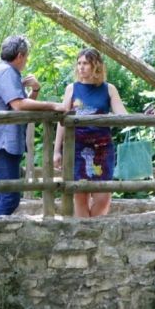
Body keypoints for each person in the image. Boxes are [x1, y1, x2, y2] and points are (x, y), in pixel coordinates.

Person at [0, 35, 65, 216]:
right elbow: (19, 105)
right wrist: (53, 105)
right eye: (26, 57)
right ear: (20, 55)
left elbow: (20, 106)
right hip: (3, 143)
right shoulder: (7, 73)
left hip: (0, 142)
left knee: (2, 196)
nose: (26, 61)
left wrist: (35, 90)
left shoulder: (0, 70)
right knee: (10, 198)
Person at [53, 48, 130, 218]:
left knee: (104, 196)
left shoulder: (109, 89)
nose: (81, 67)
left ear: (96, 66)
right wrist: (57, 150)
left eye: (85, 63)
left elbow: (123, 116)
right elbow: (62, 122)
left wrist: (145, 116)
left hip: (103, 148)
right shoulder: (71, 89)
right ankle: (85, 235)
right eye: (79, 63)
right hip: (76, 148)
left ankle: (92, 230)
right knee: (80, 195)